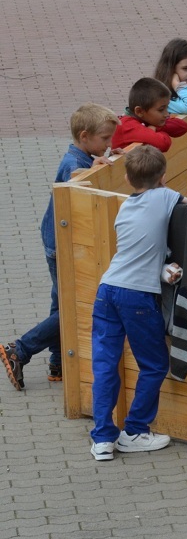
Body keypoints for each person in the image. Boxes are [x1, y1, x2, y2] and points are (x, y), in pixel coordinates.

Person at [1, 104, 117, 391]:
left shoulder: (85, 156)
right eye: (105, 139)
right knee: (71, 308)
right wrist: (93, 168)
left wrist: (110, 157)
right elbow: (76, 181)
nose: (108, 144)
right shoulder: (73, 164)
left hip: (57, 242)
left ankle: (57, 362)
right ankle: (21, 349)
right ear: (85, 135)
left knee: (60, 302)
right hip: (62, 247)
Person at [89, 146, 180, 461]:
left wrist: (158, 268)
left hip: (107, 290)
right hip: (136, 296)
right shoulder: (167, 197)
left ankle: (102, 439)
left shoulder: (125, 208)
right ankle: (135, 430)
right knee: (154, 364)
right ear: (163, 177)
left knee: (104, 366)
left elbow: (136, 252)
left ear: (127, 179)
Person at [111, 77, 187, 152]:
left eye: (167, 107)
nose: (167, 114)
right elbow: (163, 143)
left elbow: (182, 127)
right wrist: (153, 130)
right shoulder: (127, 126)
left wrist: (155, 128)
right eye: (161, 110)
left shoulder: (147, 118)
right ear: (139, 111)